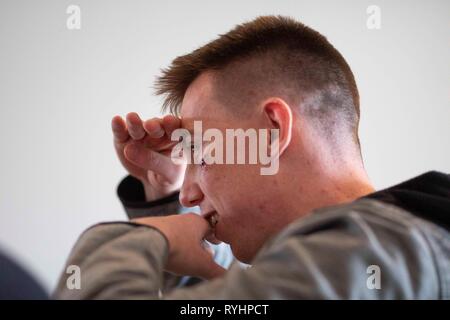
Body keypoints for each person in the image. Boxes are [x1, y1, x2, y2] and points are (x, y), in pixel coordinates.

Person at [54, 16, 449, 299]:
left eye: (202, 152)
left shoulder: (366, 252)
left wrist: (130, 241)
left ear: (273, 131)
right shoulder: (395, 250)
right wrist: (163, 199)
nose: (189, 196)